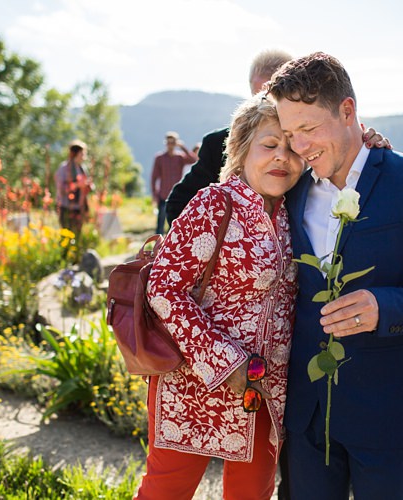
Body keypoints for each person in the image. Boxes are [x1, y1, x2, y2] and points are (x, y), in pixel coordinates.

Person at [266, 51, 403, 499]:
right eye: (289, 134)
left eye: (308, 129)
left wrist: (386, 307)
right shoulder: (293, 188)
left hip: (389, 413)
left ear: (348, 111)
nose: (299, 146)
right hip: (307, 414)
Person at [134, 94, 303, 500]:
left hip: (262, 393)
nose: (281, 157)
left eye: (293, 147)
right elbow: (164, 287)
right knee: (166, 493)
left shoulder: (292, 214)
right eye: (269, 145)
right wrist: (225, 363)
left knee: (252, 496)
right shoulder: (215, 202)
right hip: (193, 385)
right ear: (242, 149)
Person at [165, 49, 392, 226]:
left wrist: (364, 143)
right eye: (260, 96)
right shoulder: (217, 144)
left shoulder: (307, 145)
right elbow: (177, 204)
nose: (267, 104)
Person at [150, 131, 195, 234]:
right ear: (166, 143)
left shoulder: (180, 157)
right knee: (160, 222)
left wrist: (183, 147)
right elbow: (154, 177)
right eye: (169, 142)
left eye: (173, 142)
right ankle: (158, 246)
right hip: (163, 194)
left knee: (175, 222)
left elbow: (194, 160)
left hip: (176, 195)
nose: (170, 144)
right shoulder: (160, 158)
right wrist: (154, 193)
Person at [55, 140, 93, 236]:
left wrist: (87, 185)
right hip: (66, 207)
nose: (84, 156)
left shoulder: (82, 168)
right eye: (82, 154)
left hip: (79, 208)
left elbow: (88, 186)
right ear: (76, 153)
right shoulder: (64, 168)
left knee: (77, 235)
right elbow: (61, 188)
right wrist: (76, 185)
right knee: (66, 235)